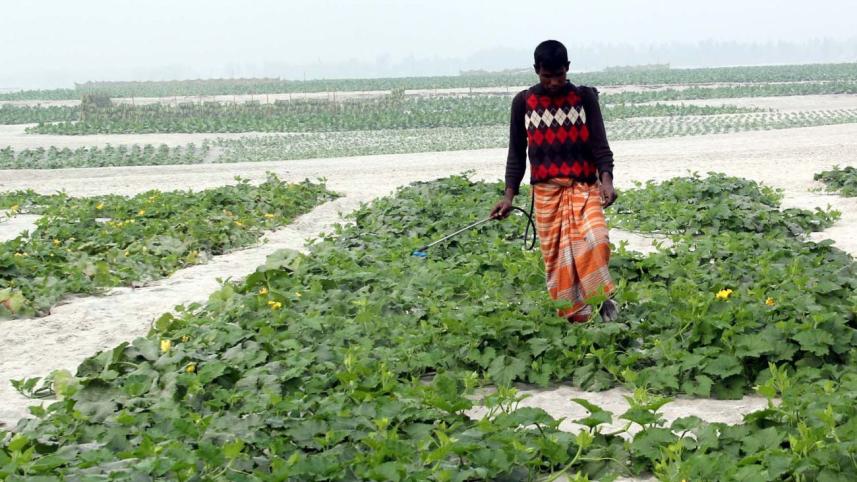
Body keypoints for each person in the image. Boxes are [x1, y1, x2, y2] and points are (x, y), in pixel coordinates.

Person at [490, 39, 619, 323]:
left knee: (597, 240)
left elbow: (601, 146)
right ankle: (579, 320)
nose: (553, 82)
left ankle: (604, 304)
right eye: (546, 76)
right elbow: (516, 154)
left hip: (584, 188)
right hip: (547, 194)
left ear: (567, 68)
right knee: (560, 262)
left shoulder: (584, 97)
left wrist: (606, 181)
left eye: (559, 75)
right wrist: (508, 197)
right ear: (536, 70)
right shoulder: (523, 102)